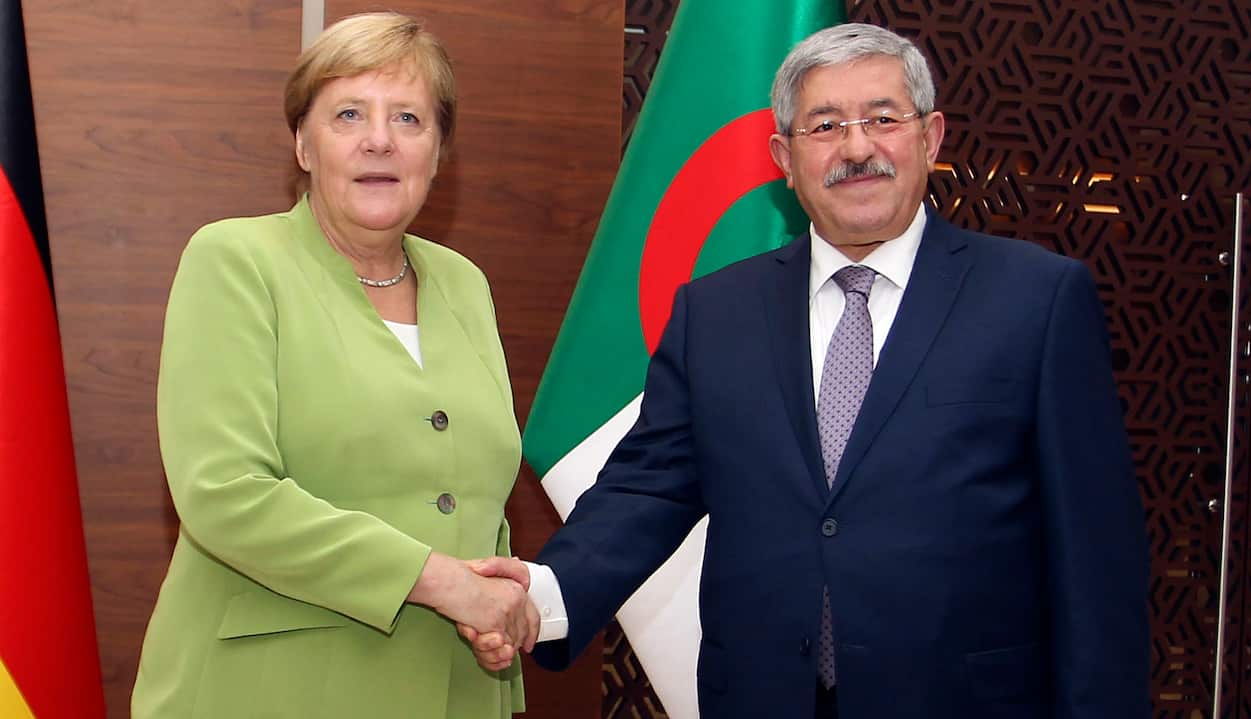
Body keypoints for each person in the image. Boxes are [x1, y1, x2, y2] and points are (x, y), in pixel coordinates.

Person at [467, 21, 1151, 719]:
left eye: (883, 119)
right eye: (824, 126)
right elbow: (646, 493)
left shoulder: (1037, 300)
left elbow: (1097, 562)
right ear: (783, 158)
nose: (857, 148)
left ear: (931, 137)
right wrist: (540, 599)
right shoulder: (716, 313)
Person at [132, 12, 537, 718]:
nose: (378, 138)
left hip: (454, 692)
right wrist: (443, 581)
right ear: (303, 144)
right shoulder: (235, 261)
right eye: (348, 113)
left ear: (438, 151)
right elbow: (224, 491)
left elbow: (467, 484)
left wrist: (500, 603)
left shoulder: (464, 282)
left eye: (408, 117)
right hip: (270, 692)